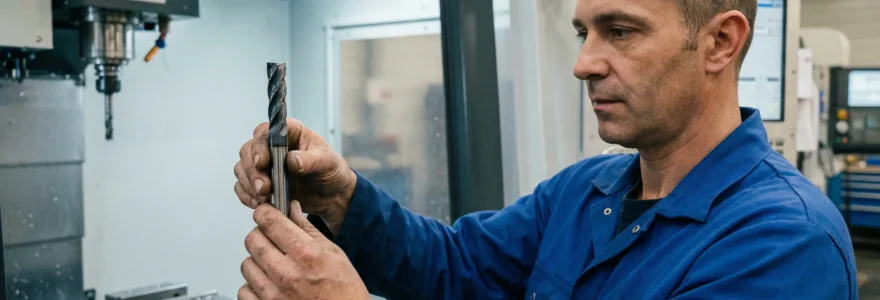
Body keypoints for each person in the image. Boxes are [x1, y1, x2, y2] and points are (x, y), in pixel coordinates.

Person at [233, 0, 858, 299]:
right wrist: (342, 197)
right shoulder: (585, 192)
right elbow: (455, 265)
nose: (584, 63)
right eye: (584, 32)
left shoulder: (782, 244)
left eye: (620, 31)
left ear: (721, 43)